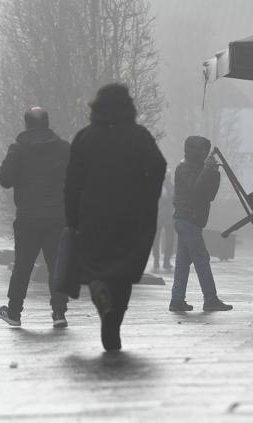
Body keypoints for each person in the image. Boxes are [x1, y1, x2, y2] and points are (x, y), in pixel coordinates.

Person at [64, 83, 166, 351]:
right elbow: (158, 165)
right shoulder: (139, 136)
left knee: (96, 267)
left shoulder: (85, 138)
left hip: (93, 215)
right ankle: (114, 326)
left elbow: (72, 182)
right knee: (122, 272)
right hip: (131, 215)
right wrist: (148, 196)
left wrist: (72, 216)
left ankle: (100, 296)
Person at [0, 106, 70, 328]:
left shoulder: (18, 150)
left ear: (27, 124)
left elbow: (4, 179)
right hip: (57, 217)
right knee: (56, 264)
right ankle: (59, 312)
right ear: (47, 123)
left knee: (22, 265)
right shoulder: (64, 149)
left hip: (28, 217)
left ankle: (15, 313)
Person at [169, 136, 232, 312]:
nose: (204, 153)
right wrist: (206, 169)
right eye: (201, 150)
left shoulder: (196, 168)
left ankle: (177, 299)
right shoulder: (184, 169)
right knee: (202, 259)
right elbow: (196, 189)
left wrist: (213, 172)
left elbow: (209, 193)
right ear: (193, 151)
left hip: (190, 220)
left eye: (206, 150)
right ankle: (210, 298)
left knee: (183, 262)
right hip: (187, 220)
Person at [151, 172, 175, 272]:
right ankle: (164, 261)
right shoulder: (170, 187)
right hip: (166, 217)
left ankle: (160, 260)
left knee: (159, 239)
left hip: (161, 217)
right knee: (167, 239)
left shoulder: (161, 186)